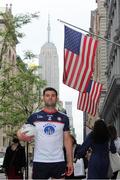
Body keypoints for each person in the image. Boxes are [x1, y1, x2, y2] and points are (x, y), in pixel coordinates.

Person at [18, 87, 73, 179]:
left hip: (58, 160)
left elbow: (67, 140)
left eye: (53, 95)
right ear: (43, 98)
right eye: (47, 95)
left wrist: (70, 161)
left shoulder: (64, 118)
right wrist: (21, 136)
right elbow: (20, 132)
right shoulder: (34, 117)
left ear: (57, 98)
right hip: (40, 161)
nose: (50, 97)